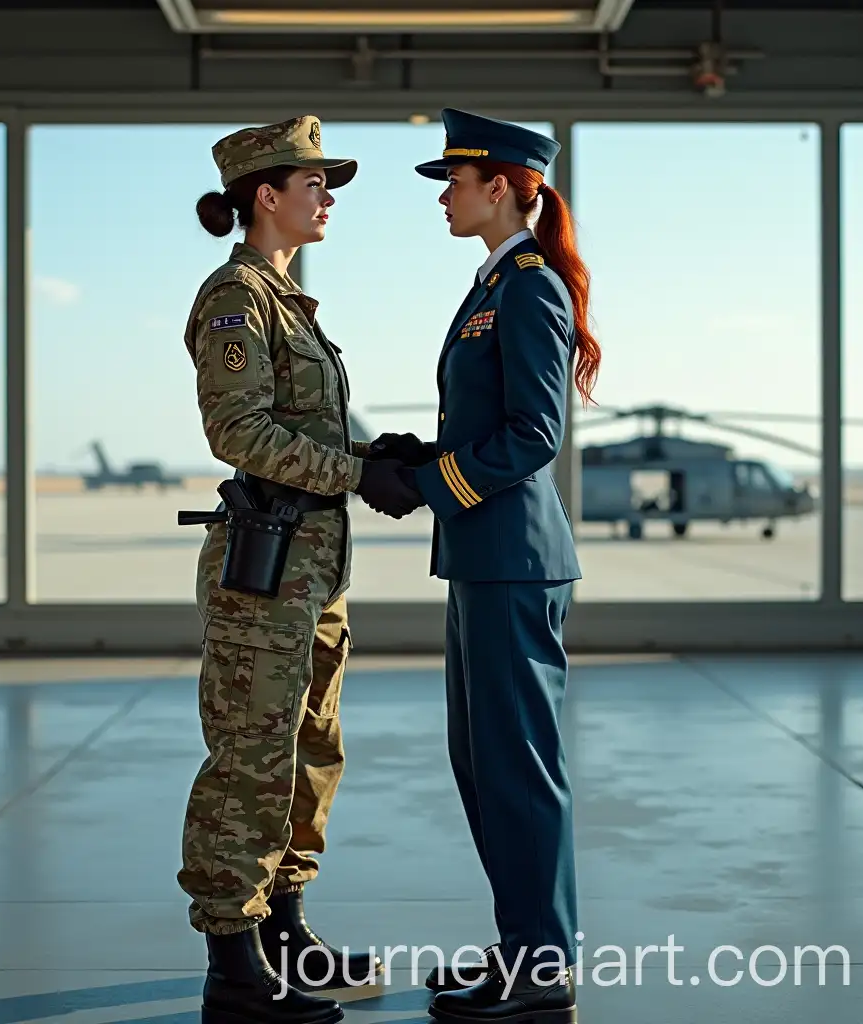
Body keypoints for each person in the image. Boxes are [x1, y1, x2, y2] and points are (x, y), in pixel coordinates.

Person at [176, 115, 419, 1024]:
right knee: (252, 757)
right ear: (264, 195)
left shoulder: (288, 302)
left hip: (314, 566)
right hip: (268, 567)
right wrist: (359, 473)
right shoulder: (236, 297)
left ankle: (284, 932)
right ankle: (234, 969)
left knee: (310, 752)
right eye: (313, 181)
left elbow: (301, 431)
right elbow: (238, 433)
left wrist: (377, 450)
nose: (327, 196)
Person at [370, 108, 601, 1023]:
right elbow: (485, 423)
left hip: (512, 562)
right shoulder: (492, 284)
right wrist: (415, 452)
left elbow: (534, 437)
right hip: (482, 560)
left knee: (517, 765)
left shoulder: (531, 287)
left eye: (454, 181)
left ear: (499, 186)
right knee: (482, 762)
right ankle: (523, 947)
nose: (443, 196)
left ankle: (543, 967)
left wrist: (432, 483)